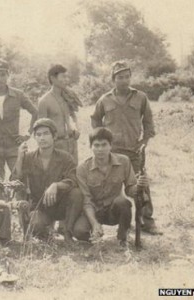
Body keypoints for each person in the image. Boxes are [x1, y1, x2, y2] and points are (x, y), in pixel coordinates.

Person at [91, 61, 161, 235]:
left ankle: (148, 221)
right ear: (113, 79)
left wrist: (144, 141)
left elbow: (148, 122)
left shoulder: (141, 97)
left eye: (127, 76)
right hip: (111, 152)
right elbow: (95, 120)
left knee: (141, 184)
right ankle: (123, 221)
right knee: (112, 187)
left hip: (133, 150)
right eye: (120, 77)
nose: (124, 80)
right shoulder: (104, 99)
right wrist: (101, 141)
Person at [73, 127, 150, 247]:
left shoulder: (123, 161)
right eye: (96, 145)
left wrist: (139, 186)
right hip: (93, 211)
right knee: (79, 231)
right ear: (90, 147)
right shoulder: (82, 169)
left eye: (104, 145)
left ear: (111, 146)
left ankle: (122, 237)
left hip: (113, 211)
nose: (100, 149)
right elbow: (86, 201)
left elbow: (130, 189)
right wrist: (94, 224)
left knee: (123, 202)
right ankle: (95, 238)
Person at [12, 118, 83, 242]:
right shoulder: (28, 158)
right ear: (34, 137)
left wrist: (57, 185)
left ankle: (67, 232)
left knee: (76, 193)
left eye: (46, 133)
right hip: (39, 207)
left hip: (60, 205)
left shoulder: (65, 157)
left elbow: (74, 180)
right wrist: (19, 158)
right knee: (35, 225)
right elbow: (15, 182)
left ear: (54, 136)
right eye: (38, 135)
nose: (42, 138)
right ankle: (46, 233)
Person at [0, 59, 38, 179]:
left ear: (8, 76)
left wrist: (27, 134)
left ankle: (21, 198)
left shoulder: (18, 95)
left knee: (19, 179)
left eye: (3, 74)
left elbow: (35, 112)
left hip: (13, 146)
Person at [38, 64, 81, 162]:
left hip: (71, 143)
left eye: (67, 77)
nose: (66, 80)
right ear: (53, 78)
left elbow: (74, 116)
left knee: (73, 174)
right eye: (63, 77)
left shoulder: (69, 96)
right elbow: (41, 129)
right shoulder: (44, 101)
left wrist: (77, 128)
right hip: (56, 146)